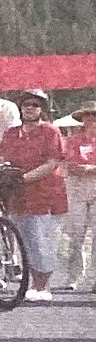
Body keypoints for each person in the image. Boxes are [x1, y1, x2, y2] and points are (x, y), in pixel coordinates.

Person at [0, 89, 67, 301]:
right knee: (24, 241)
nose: (30, 108)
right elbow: (1, 156)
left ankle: (42, 286)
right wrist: (2, 171)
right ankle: (28, 283)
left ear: (41, 109)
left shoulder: (51, 132)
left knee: (42, 241)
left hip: (44, 195)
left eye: (35, 105)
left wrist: (24, 178)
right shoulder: (12, 133)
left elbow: (52, 162)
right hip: (17, 197)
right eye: (26, 104)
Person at [61, 100, 96, 291]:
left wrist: (89, 168)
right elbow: (71, 165)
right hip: (78, 188)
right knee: (77, 235)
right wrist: (87, 169)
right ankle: (74, 276)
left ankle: (94, 278)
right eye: (86, 119)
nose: (90, 122)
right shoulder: (74, 140)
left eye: (93, 118)